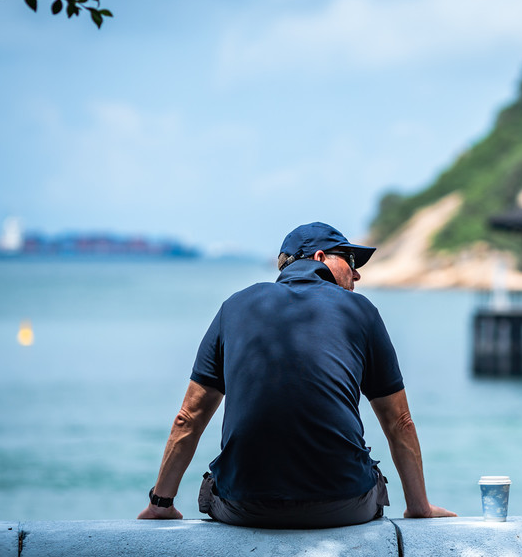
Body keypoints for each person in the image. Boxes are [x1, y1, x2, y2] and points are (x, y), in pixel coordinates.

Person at [138, 222, 456, 527]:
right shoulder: (361, 311)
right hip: (344, 505)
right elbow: (399, 421)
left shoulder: (233, 306)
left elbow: (188, 417)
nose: (357, 272)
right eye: (350, 260)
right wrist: (419, 508)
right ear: (319, 257)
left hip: (244, 507)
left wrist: (160, 504)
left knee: (212, 488)